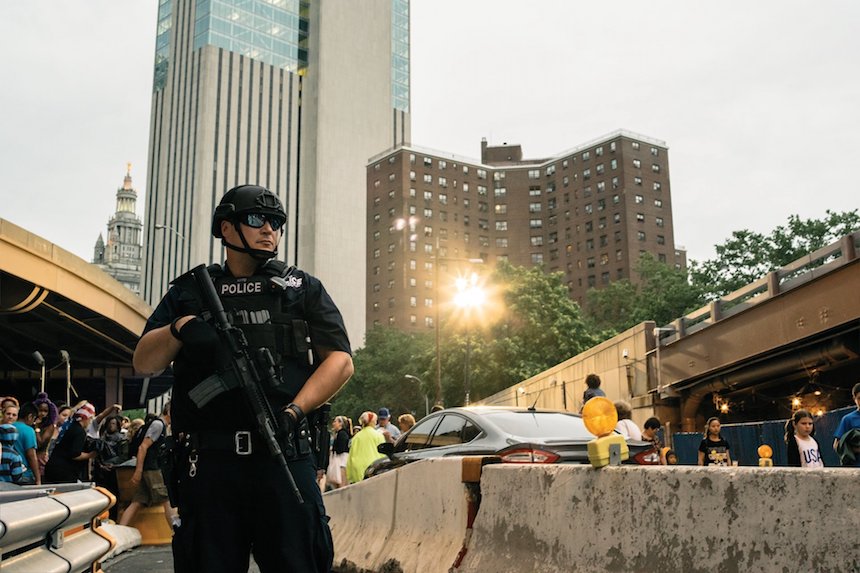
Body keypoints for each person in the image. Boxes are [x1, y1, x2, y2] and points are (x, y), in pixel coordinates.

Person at [133, 184, 353, 573]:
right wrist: (180, 328)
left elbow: (340, 361)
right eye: (257, 220)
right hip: (211, 465)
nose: (270, 229)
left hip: (284, 454)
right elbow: (143, 362)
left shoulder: (301, 289)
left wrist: (294, 412)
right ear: (226, 229)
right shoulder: (189, 292)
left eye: (277, 223)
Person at [120, 402, 173, 529]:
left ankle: (120, 530)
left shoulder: (160, 425)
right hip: (152, 469)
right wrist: (138, 471)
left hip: (148, 468)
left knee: (137, 502)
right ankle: (177, 532)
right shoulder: (158, 425)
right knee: (167, 499)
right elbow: (143, 447)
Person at [44, 403, 98, 483]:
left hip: (52, 467)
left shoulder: (69, 426)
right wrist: (91, 455)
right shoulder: (80, 431)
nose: (90, 422)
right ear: (85, 418)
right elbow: (75, 454)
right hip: (64, 472)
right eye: (90, 418)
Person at [346, 411, 386, 484]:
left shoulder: (356, 437)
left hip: (358, 470)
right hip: (374, 469)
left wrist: (350, 476)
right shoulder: (379, 435)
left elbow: (351, 456)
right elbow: (383, 453)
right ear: (373, 421)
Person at [12, 403, 41, 485]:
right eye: (34, 419)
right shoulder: (28, 430)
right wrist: (38, 479)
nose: (33, 422)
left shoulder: (8, 427)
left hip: (8, 473)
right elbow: (31, 456)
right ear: (30, 416)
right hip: (24, 474)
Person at [833, 382, 860, 451]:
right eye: (859, 398)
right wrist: (855, 450)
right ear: (854, 399)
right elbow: (836, 445)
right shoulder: (848, 419)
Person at [327, 416, 351, 489]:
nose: (333, 423)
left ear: (340, 423)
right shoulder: (339, 434)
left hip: (341, 462)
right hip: (341, 462)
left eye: (335, 421)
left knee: (342, 484)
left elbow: (341, 449)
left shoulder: (342, 434)